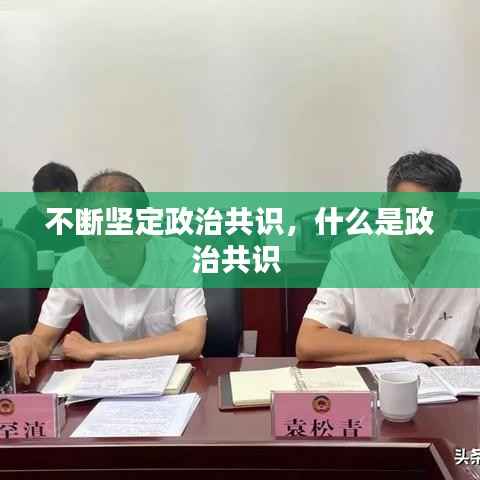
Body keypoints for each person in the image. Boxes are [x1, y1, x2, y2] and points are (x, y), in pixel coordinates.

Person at [10, 170, 207, 385]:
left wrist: (98, 350)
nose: (102, 254)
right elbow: (44, 341)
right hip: (106, 384)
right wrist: (28, 343)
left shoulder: (180, 259)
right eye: (92, 238)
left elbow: (191, 341)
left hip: (174, 382)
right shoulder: (73, 266)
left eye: (114, 241)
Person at [297, 151, 480, 365]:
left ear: (449, 220)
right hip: (376, 380)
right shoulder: (351, 256)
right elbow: (309, 341)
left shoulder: (474, 259)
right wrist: (404, 348)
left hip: (454, 381)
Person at [16, 162, 83, 252]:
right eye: (39, 202)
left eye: (51, 204)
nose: (44, 209)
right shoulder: (32, 218)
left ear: (74, 199)